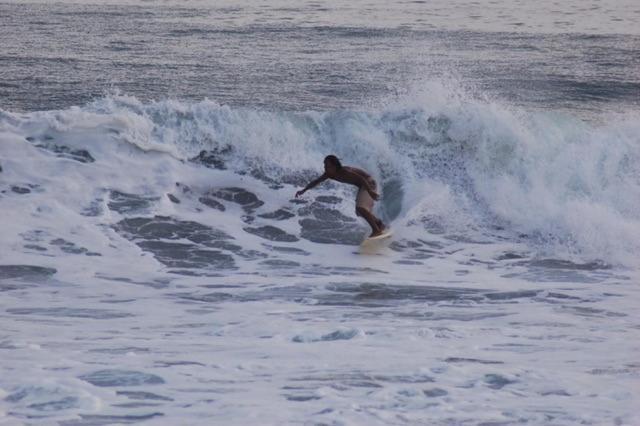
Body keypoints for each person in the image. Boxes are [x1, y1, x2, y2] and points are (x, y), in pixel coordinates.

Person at [295, 155, 386, 237]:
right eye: (324, 165)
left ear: (335, 166)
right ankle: (378, 223)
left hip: (368, 183)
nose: (325, 168)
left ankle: (376, 230)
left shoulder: (344, 171)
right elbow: (316, 181)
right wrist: (304, 190)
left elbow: (361, 178)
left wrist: (370, 191)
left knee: (361, 208)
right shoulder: (329, 174)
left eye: (328, 166)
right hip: (363, 186)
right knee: (359, 212)